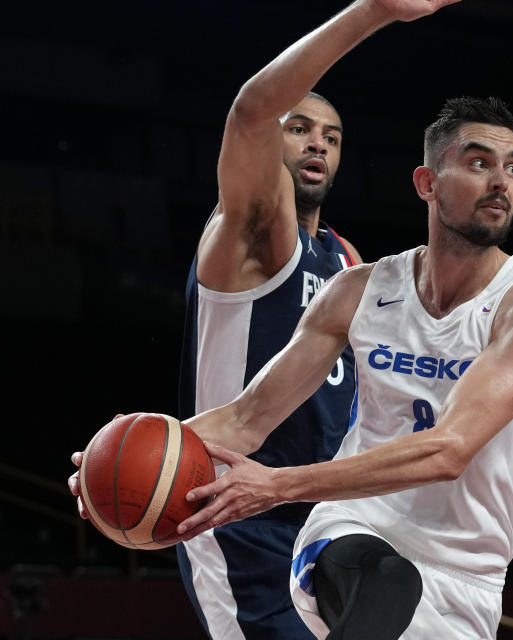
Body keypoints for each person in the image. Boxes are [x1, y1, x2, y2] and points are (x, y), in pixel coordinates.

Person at [70, 2, 363, 637]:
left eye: (331, 136)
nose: (317, 142)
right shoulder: (249, 236)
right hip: (237, 518)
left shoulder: (345, 258)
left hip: (327, 515)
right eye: (300, 128)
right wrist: (374, 13)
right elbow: (251, 112)